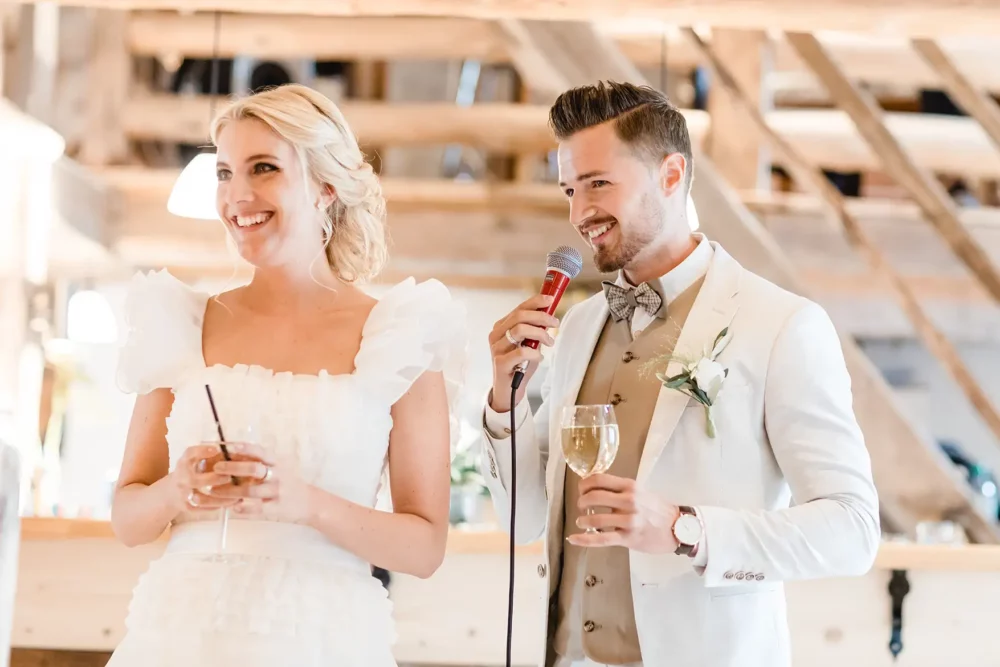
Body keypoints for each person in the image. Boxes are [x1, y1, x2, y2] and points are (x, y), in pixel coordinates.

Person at [478, 81, 880, 667]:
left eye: (598, 183)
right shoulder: (581, 325)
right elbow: (524, 518)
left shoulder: (783, 325)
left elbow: (853, 529)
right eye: (569, 188)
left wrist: (684, 530)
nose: (578, 213)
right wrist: (502, 400)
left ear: (671, 175)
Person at [107, 83, 465, 666]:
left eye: (263, 168)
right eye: (224, 173)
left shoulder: (399, 336)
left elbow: (424, 548)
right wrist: (178, 489)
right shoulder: (179, 324)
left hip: (321, 635)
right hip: (180, 634)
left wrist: (307, 504)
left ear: (326, 187)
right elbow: (127, 520)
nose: (236, 195)